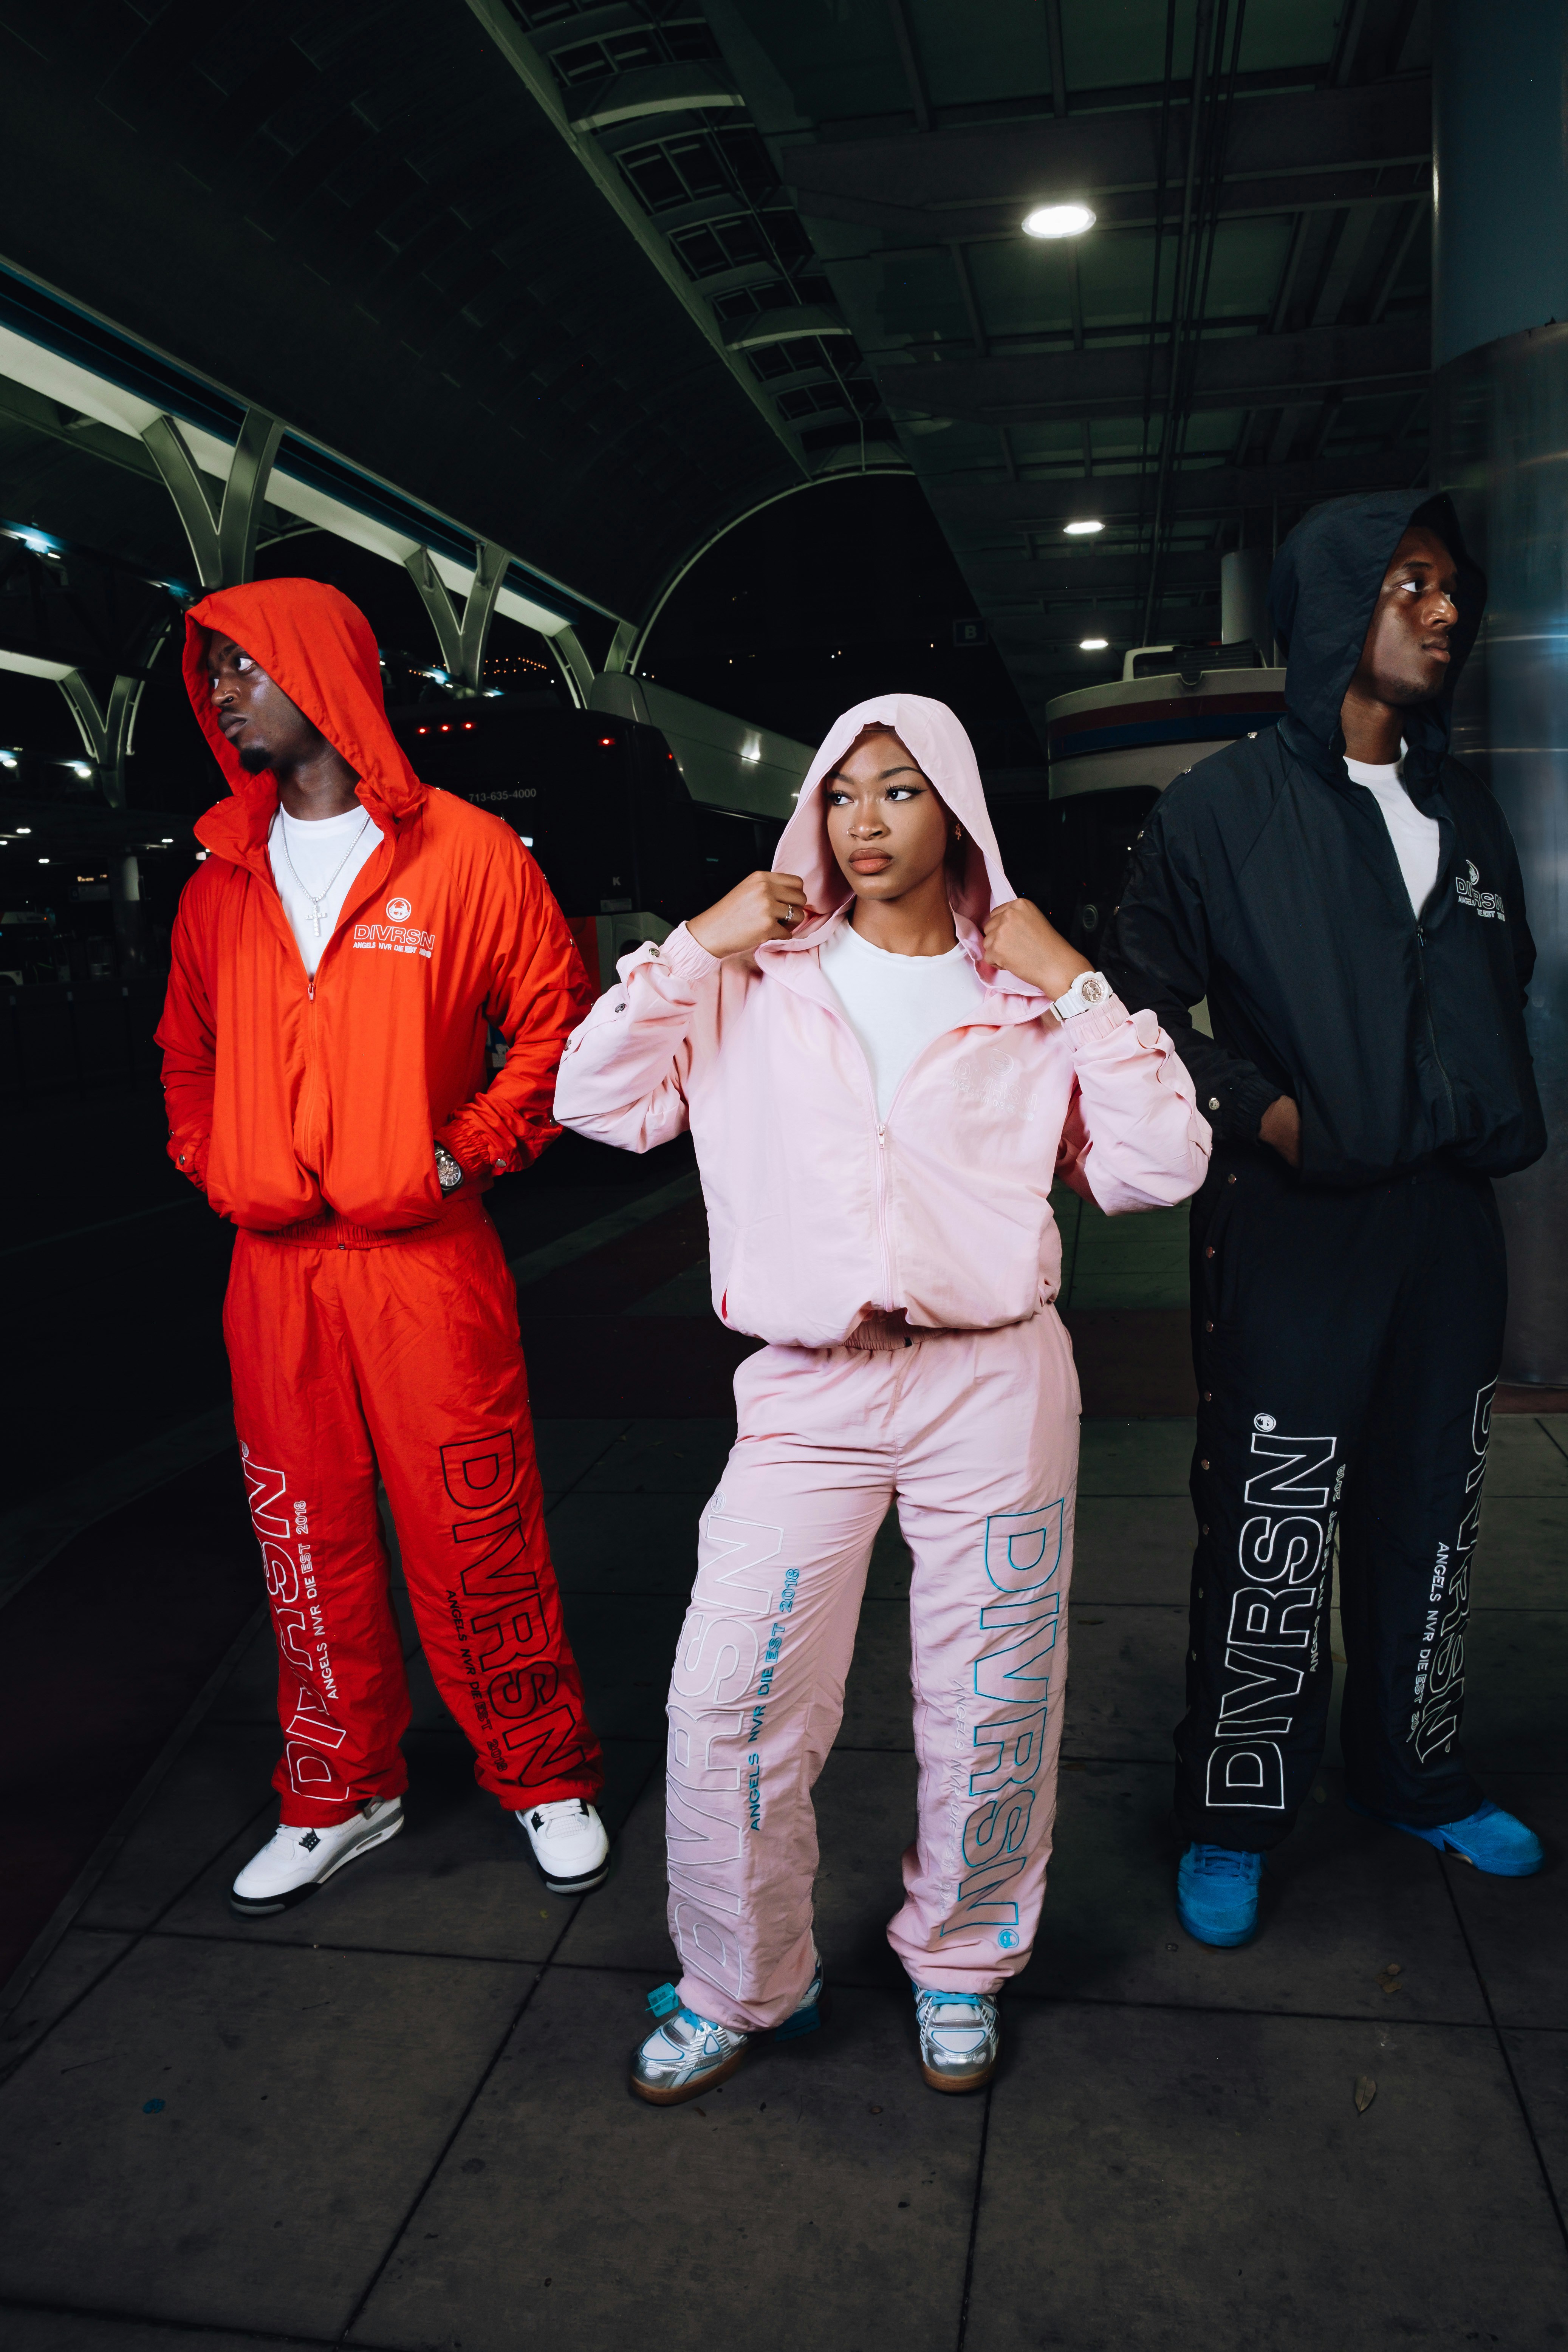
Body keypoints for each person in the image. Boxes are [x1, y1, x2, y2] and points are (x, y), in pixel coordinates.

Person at [554, 694, 1210, 2102]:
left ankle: (963, 1961)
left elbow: (1158, 1167)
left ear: (957, 814)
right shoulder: (753, 978)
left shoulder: (1021, 996)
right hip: (807, 1390)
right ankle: (741, 1980)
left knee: (992, 1693)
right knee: (730, 1694)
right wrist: (693, 945)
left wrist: (1081, 983)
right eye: (842, 792)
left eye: (901, 791)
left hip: (995, 1381)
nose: (863, 819)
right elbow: (597, 1104)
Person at [1104, 492, 1548, 1949]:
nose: (1442, 611)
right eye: (1409, 584)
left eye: (1452, 589)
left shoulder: (1463, 805)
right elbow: (1138, 1005)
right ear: (1337, 603)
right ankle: (1235, 1809)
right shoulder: (1223, 808)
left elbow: (1495, 982)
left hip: (1450, 1227)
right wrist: (1268, 1110)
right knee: (1274, 1522)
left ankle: (1411, 1773)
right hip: (1296, 1228)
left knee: (1435, 1511)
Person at [157, 577, 609, 1917]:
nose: (223, 693)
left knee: (475, 1524)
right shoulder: (219, 882)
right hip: (274, 1270)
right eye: (213, 673)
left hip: (426, 1261)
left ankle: (542, 1773)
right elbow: (185, 1060)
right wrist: (213, 1158)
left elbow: (556, 1027)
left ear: (324, 673)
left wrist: (469, 1148)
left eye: (244, 666)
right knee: (306, 1539)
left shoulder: (466, 855)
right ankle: (339, 1787)